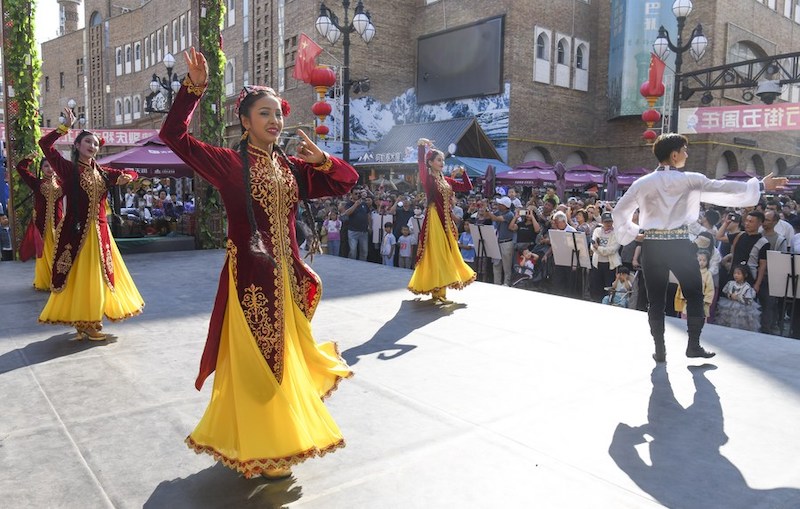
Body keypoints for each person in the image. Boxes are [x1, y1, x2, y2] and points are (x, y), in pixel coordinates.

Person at [160, 48, 358, 479]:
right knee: (257, 364)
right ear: (245, 122)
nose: (275, 121)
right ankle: (262, 444)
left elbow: (347, 181)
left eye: (278, 114)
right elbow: (173, 135)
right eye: (264, 114)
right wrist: (192, 89)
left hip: (287, 280)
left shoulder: (290, 170)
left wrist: (321, 161)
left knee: (284, 361)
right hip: (249, 280)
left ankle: (278, 441)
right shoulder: (229, 164)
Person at [612, 133, 785, 362]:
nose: (687, 153)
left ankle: (660, 350)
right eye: (684, 150)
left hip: (653, 245)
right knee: (695, 294)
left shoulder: (642, 183)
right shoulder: (690, 180)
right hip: (680, 244)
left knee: (655, 300)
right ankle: (693, 345)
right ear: (674, 155)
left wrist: (635, 232)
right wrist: (761, 185)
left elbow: (618, 213)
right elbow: (723, 188)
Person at [37, 109, 144, 339]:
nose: (92, 146)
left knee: (98, 276)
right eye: (87, 142)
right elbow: (45, 144)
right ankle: (86, 321)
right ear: (77, 145)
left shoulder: (102, 173)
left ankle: (89, 320)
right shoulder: (68, 169)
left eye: (95, 144)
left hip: (101, 233)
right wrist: (64, 126)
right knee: (81, 276)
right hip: (76, 232)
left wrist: (128, 177)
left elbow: (132, 172)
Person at [407, 139, 476, 303]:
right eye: (439, 160)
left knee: (446, 254)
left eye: (443, 160)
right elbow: (420, 164)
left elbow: (467, 187)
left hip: (446, 222)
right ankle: (439, 293)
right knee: (437, 255)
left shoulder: (446, 180)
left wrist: (463, 172)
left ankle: (440, 292)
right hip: (434, 220)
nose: (442, 162)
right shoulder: (428, 178)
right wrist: (421, 147)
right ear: (430, 163)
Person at [15, 155, 63, 289]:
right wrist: (28, 159)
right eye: (46, 166)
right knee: (44, 252)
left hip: (58, 223)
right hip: (42, 224)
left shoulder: (61, 183)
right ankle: (46, 281)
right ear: (41, 169)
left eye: (52, 165)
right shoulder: (37, 183)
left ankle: (58, 280)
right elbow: (20, 168)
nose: (50, 169)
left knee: (58, 252)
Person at [715, 266, 761, 332]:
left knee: (741, 321)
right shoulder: (730, 283)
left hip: (742, 307)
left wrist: (738, 297)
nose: (736, 275)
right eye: (735, 273)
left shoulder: (747, 286)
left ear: (745, 275)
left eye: (739, 274)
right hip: (730, 305)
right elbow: (725, 291)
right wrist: (730, 295)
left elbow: (749, 300)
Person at [674, 251, 714, 320]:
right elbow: (684, 285)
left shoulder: (708, 274)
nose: (701, 262)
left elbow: (710, 289)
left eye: (704, 260)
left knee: (699, 320)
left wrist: (705, 300)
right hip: (689, 300)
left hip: (701, 302)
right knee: (685, 318)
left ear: (708, 261)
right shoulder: (689, 271)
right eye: (699, 260)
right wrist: (685, 297)